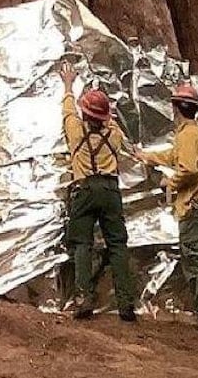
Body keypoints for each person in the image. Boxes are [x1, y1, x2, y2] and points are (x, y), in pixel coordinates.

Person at [135, 83, 198, 335]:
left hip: (196, 209)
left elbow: (187, 169)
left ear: (176, 108)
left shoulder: (186, 136)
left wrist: (169, 183)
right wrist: (147, 156)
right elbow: (177, 156)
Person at [59, 63, 138, 323]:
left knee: (82, 245)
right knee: (117, 244)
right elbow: (111, 122)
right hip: (110, 190)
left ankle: (84, 298)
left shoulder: (75, 130)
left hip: (84, 190)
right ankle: (126, 303)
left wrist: (69, 84)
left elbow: (68, 109)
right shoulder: (114, 135)